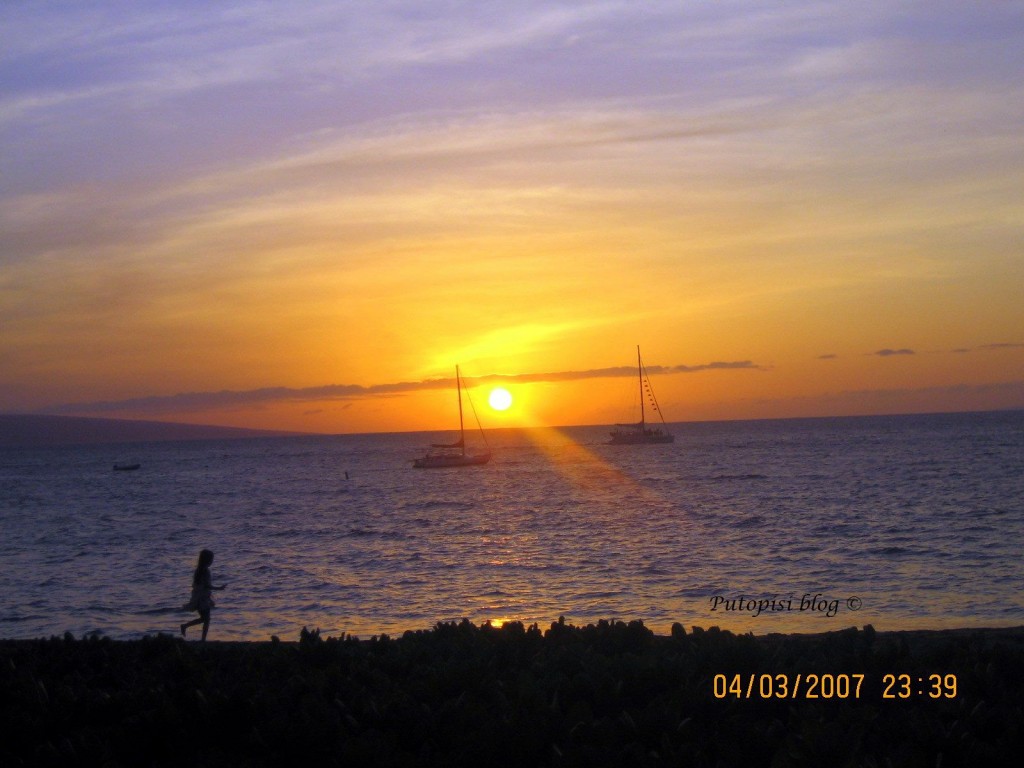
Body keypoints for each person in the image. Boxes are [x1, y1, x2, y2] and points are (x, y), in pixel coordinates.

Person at [180, 549, 226, 641]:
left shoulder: (198, 570)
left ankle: (186, 626)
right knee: (206, 619)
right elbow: (207, 585)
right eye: (211, 560)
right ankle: (202, 639)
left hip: (198, 597)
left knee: (204, 619)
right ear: (207, 560)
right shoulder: (206, 571)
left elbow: (199, 585)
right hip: (203, 598)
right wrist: (219, 588)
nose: (212, 561)